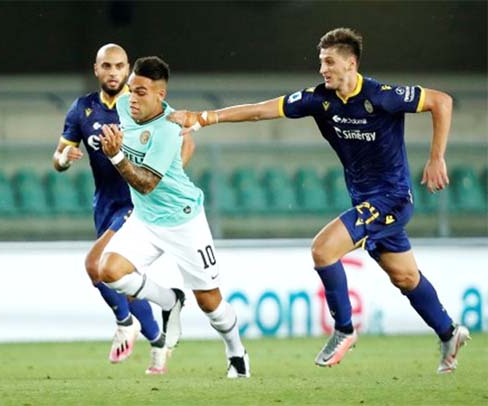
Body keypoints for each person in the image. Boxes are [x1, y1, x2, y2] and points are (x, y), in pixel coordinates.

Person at [168, 27, 470, 374]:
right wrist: (205, 118)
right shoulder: (319, 100)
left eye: (329, 62)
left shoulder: (382, 95)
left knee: (323, 249)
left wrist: (436, 157)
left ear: (351, 63)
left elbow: (441, 101)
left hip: (392, 199)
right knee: (405, 277)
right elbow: (263, 110)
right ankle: (450, 332)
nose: (323, 69)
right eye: (321, 62)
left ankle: (343, 330)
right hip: (365, 201)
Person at [98, 56, 250, 378]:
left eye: (141, 92)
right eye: (131, 90)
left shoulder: (167, 128)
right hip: (145, 219)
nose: (133, 98)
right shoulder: (125, 108)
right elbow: (185, 143)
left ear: (160, 95)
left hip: (184, 221)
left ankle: (237, 352)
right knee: (109, 270)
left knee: (211, 304)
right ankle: (169, 301)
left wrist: (116, 155)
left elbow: (147, 184)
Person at [51, 44, 195, 373]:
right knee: (120, 282)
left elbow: (185, 141)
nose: (114, 72)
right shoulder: (83, 109)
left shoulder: (142, 101)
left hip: (136, 203)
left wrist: (159, 179)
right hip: (104, 204)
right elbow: (57, 157)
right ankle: (158, 343)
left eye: (119, 66)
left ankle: (125, 323)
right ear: (96, 69)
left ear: (128, 68)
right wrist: (64, 158)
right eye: (107, 66)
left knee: (94, 264)